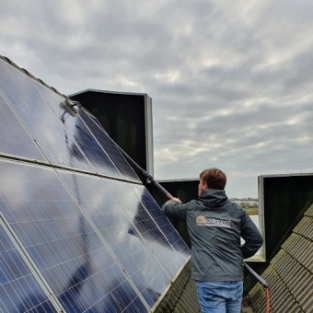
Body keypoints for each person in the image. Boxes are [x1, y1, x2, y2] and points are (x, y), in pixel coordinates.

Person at [161, 168, 263, 313]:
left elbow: (166, 209)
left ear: (205, 185)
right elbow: (256, 240)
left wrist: (174, 202)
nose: (198, 186)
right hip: (234, 279)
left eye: (199, 183)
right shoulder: (236, 210)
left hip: (209, 281)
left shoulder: (192, 209)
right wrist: (238, 255)